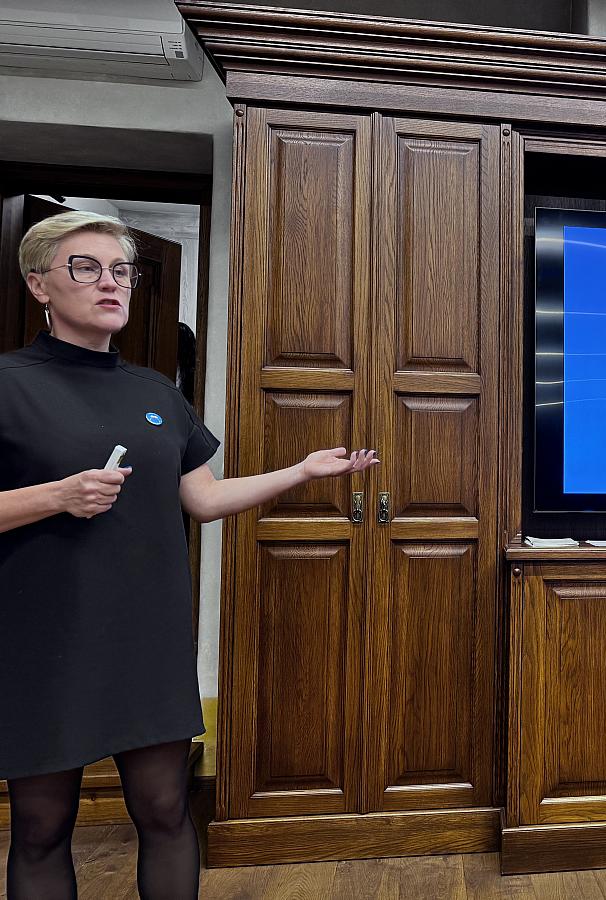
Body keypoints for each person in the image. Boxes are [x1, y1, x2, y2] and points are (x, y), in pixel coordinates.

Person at [0, 211, 379, 899]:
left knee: (166, 809)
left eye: (122, 271)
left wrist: (300, 471)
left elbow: (202, 499)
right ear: (39, 285)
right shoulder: (8, 384)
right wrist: (57, 496)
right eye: (86, 267)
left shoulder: (157, 394)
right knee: (40, 826)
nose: (110, 283)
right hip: (43, 644)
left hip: (147, 640)